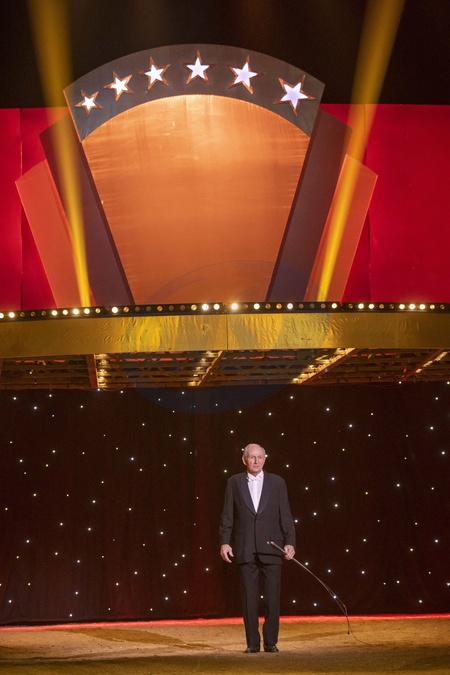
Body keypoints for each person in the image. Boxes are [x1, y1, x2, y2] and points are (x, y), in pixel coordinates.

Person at [219, 443, 296, 653]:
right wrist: (225, 542)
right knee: (249, 599)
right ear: (244, 460)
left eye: (260, 457)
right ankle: (252, 643)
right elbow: (227, 516)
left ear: (264, 459)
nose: (256, 461)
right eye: (252, 457)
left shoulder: (277, 482)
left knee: (272, 598)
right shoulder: (233, 482)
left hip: (272, 547)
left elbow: (286, 515)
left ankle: (271, 642)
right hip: (245, 548)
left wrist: (290, 542)